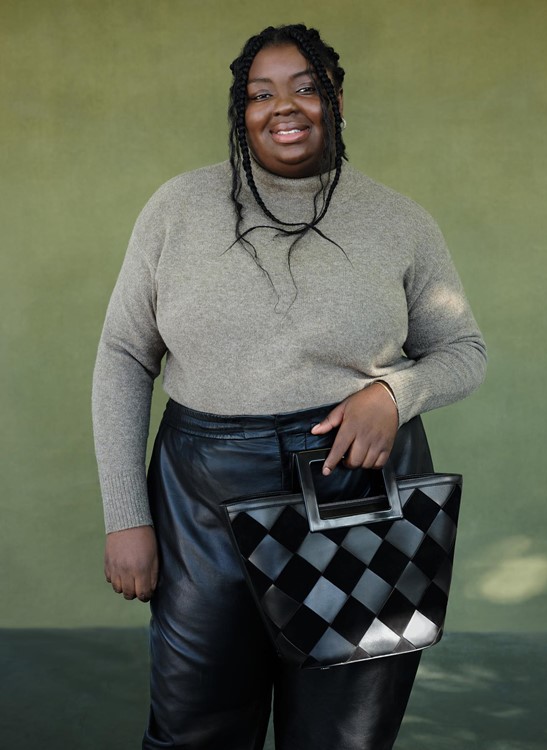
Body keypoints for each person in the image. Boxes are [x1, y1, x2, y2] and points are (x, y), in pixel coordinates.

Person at [92, 23, 486, 750]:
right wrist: (126, 517)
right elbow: (123, 355)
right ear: (241, 110)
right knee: (193, 732)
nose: (286, 107)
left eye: (306, 88)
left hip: (357, 494)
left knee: (342, 736)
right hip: (201, 498)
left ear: (336, 97)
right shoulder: (178, 210)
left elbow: (463, 350)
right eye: (261, 93)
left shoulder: (399, 221)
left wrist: (393, 395)